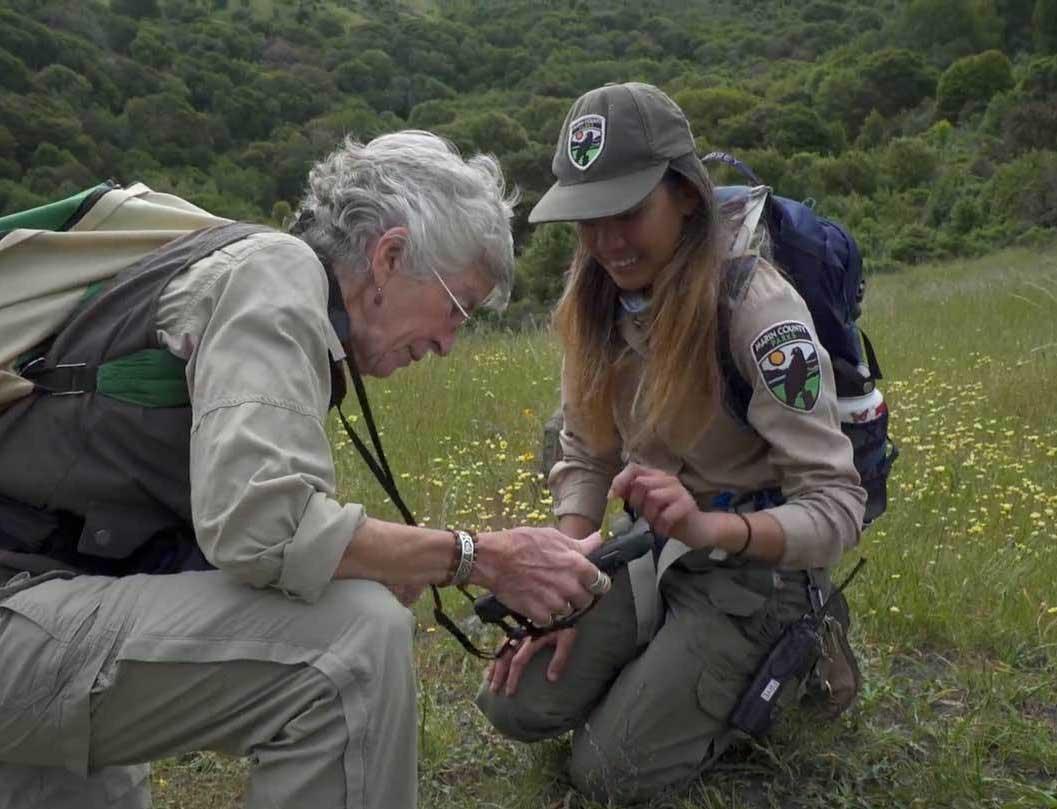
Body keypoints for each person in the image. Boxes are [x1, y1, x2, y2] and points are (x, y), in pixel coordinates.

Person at [0, 131, 609, 809]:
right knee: (355, 642)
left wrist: (381, 557)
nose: (446, 343)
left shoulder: (229, 264)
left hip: (45, 601)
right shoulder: (275, 272)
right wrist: (478, 556)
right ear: (389, 257)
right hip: (25, 611)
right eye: (456, 308)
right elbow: (267, 527)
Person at [476, 83, 867, 804]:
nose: (607, 243)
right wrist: (566, 576)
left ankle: (797, 652)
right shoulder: (596, 299)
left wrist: (709, 527)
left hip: (754, 572)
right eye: (588, 220)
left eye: (628, 212)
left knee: (608, 771)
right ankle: (659, 667)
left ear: (685, 194)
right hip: (648, 549)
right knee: (514, 705)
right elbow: (585, 451)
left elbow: (836, 505)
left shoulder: (759, 312)